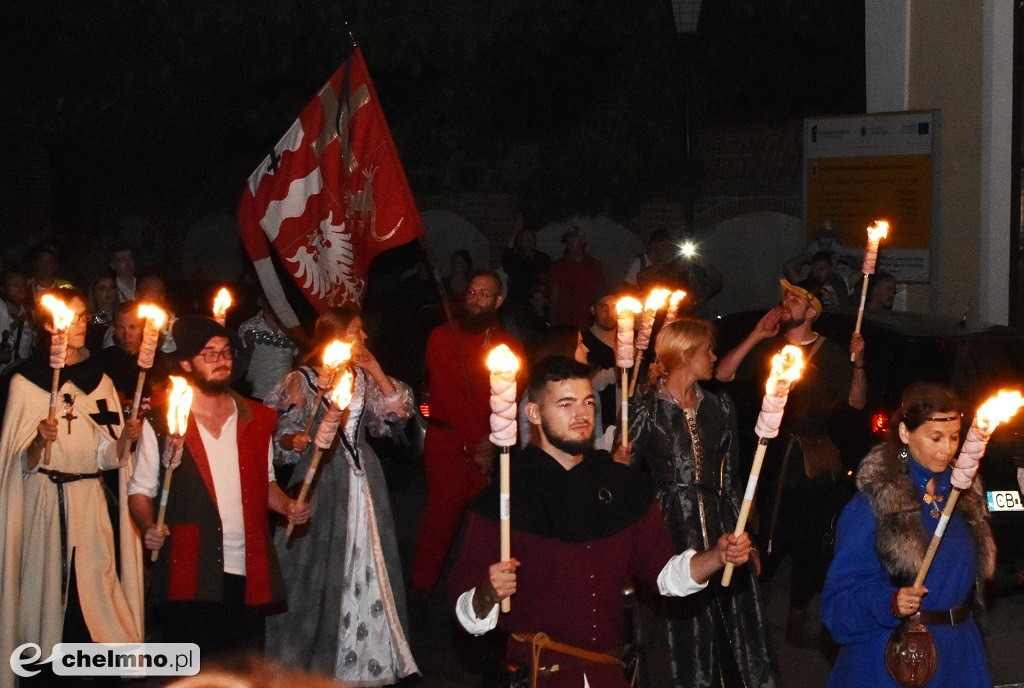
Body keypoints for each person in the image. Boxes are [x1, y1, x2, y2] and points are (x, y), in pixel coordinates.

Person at [449, 356, 754, 688]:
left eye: (588, 402)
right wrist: (488, 593)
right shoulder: (504, 498)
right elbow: (468, 614)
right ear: (534, 414)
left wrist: (717, 557)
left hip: (607, 674)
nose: (581, 414)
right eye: (566, 404)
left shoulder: (622, 487)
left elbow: (665, 576)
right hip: (536, 676)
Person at [127, 316, 310, 658]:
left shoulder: (256, 418)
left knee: (243, 673)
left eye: (225, 351)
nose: (222, 360)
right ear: (186, 363)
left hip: (247, 567)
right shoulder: (163, 422)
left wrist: (287, 506)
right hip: (190, 569)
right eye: (208, 354)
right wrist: (148, 526)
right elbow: (139, 490)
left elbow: (265, 482)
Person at [264, 306, 419, 683]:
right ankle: (308, 660)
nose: (364, 337)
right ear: (336, 336)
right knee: (314, 568)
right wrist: (294, 440)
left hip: (364, 479)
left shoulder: (362, 377)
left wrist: (375, 369)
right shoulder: (303, 380)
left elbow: (397, 418)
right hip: (322, 476)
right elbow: (276, 436)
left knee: (367, 559)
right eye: (356, 331)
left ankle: (365, 657)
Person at [0, 287, 144, 683]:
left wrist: (125, 441)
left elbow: (106, 457)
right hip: (44, 501)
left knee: (94, 599)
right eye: (70, 317)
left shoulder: (100, 381)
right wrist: (37, 442)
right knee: (45, 600)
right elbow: (17, 465)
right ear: (49, 324)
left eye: (83, 317)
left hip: (89, 502)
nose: (78, 325)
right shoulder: (27, 382)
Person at [714, 278, 866, 647]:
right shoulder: (769, 348)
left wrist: (859, 363)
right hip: (769, 458)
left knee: (810, 543)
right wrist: (755, 334)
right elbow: (721, 373)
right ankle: (751, 610)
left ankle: (796, 617)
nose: (785, 302)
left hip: (812, 462)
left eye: (795, 299)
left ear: (811, 311)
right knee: (766, 537)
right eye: (783, 295)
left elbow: (857, 402)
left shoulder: (829, 352)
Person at [628, 318, 779, 688]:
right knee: (682, 626)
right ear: (684, 353)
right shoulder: (647, 407)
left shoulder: (720, 407)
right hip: (670, 526)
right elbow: (624, 478)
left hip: (720, 523)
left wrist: (747, 536)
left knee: (733, 626)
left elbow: (731, 480)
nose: (714, 356)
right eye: (708, 349)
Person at [822, 382, 994, 687]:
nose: (948, 448)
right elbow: (839, 605)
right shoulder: (875, 504)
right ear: (905, 434)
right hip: (894, 658)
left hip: (959, 657)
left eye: (955, 437)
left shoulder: (963, 497)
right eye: (936, 437)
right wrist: (889, 602)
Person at [410, 270, 523, 593]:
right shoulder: (443, 338)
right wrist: (483, 445)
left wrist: (494, 443)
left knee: (486, 527)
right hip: (449, 444)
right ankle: (421, 588)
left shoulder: (507, 346)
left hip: (489, 447)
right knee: (439, 522)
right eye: (472, 291)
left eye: (484, 294)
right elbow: (451, 398)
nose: (475, 298)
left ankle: (478, 593)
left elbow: (509, 398)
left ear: (498, 301)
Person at [238, 297, 298, 401]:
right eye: (267, 298)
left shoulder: (291, 328)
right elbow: (238, 365)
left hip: (285, 396)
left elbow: (301, 358)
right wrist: (250, 345)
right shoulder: (249, 327)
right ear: (260, 300)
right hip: (258, 394)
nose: (272, 302)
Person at [548, 226, 605, 330]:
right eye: (568, 239)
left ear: (583, 241)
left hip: (590, 324)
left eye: (574, 238)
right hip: (566, 325)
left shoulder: (594, 265)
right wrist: (555, 326)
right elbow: (553, 299)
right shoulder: (558, 266)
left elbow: (600, 296)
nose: (571, 242)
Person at [581, 291, 618, 431]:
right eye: (604, 307)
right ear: (593, 310)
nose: (609, 313)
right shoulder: (583, 343)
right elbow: (589, 382)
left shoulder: (631, 338)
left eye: (614, 307)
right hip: (599, 422)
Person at [503, 222, 552, 304]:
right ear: (519, 241)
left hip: (540, 303)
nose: (530, 241)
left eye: (531, 237)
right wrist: (514, 232)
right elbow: (507, 261)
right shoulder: (516, 260)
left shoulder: (544, 258)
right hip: (520, 303)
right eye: (526, 238)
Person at [0, 268, 33, 378]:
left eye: (22, 285)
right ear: (3, 288)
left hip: (21, 377)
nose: (20, 289)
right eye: (14, 285)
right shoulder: (1, 310)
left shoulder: (28, 313)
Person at [86, 275, 119, 351]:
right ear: (94, 293)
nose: (108, 292)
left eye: (112, 287)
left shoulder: (124, 315)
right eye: (102, 288)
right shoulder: (88, 319)